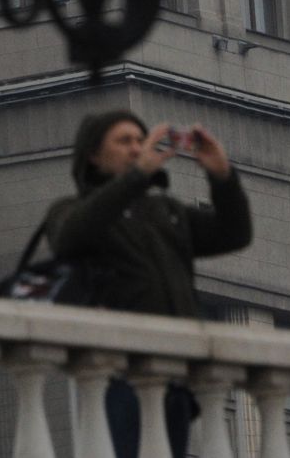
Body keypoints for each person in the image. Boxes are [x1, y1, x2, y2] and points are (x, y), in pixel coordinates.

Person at [44, 110, 253, 458]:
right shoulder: (71, 209)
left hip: (176, 375)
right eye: (124, 141)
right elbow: (70, 237)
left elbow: (234, 233)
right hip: (119, 377)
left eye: (140, 141)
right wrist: (138, 175)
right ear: (93, 155)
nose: (136, 148)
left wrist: (222, 176)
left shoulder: (166, 211)